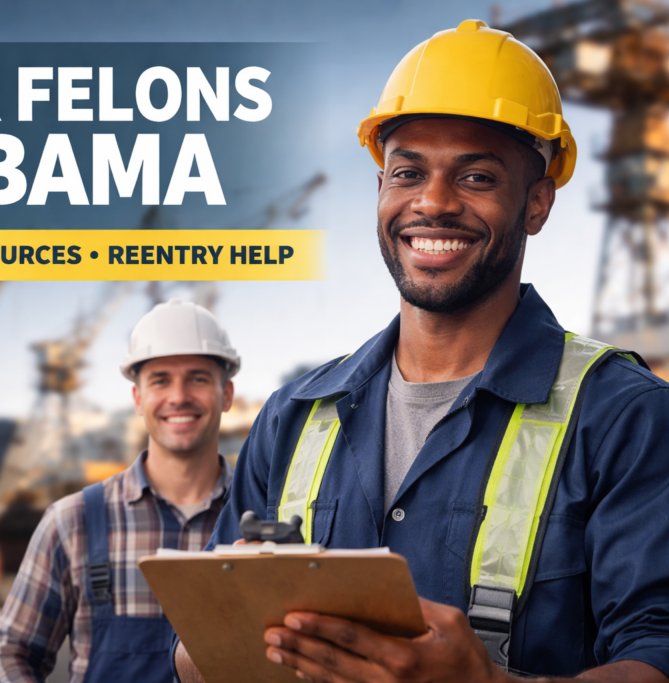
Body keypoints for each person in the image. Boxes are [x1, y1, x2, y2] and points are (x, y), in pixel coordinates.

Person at [174, 20, 669, 683]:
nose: (433, 202)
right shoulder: (294, 417)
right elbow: (198, 648)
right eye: (408, 171)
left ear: (537, 203)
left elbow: (655, 657)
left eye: (476, 176)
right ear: (381, 189)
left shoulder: (623, 418)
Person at [0, 298, 239, 683]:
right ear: (138, 398)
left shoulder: (264, 515)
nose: (179, 396)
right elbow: (10, 653)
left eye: (199, 377)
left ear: (227, 394)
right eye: (160, 380)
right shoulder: (73, 521)